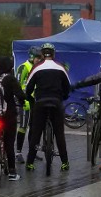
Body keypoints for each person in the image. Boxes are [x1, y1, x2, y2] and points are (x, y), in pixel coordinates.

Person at [23, 43, 71, 172]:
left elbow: (28, 87)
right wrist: (64, 97)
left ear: (42, 54)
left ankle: (30, 163)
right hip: (56, 102)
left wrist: (30, 98)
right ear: (54, 54)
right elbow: (67, 86)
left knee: (36, 133)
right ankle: (65, 162)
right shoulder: (60, 67)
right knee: (59, 133)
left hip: (41, 102)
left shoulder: (36, 67)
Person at [15, 47, 42, 163]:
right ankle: (18, 152)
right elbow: (18, 84)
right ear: (31, 57)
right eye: (37, 58)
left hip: (35, 100)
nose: (39, 60)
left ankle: (32, 151)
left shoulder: (38, 68)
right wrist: (22, 98)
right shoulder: (24, 67)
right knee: (23, 126)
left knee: (34, 127)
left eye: (40, 58)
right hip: (25, 100)